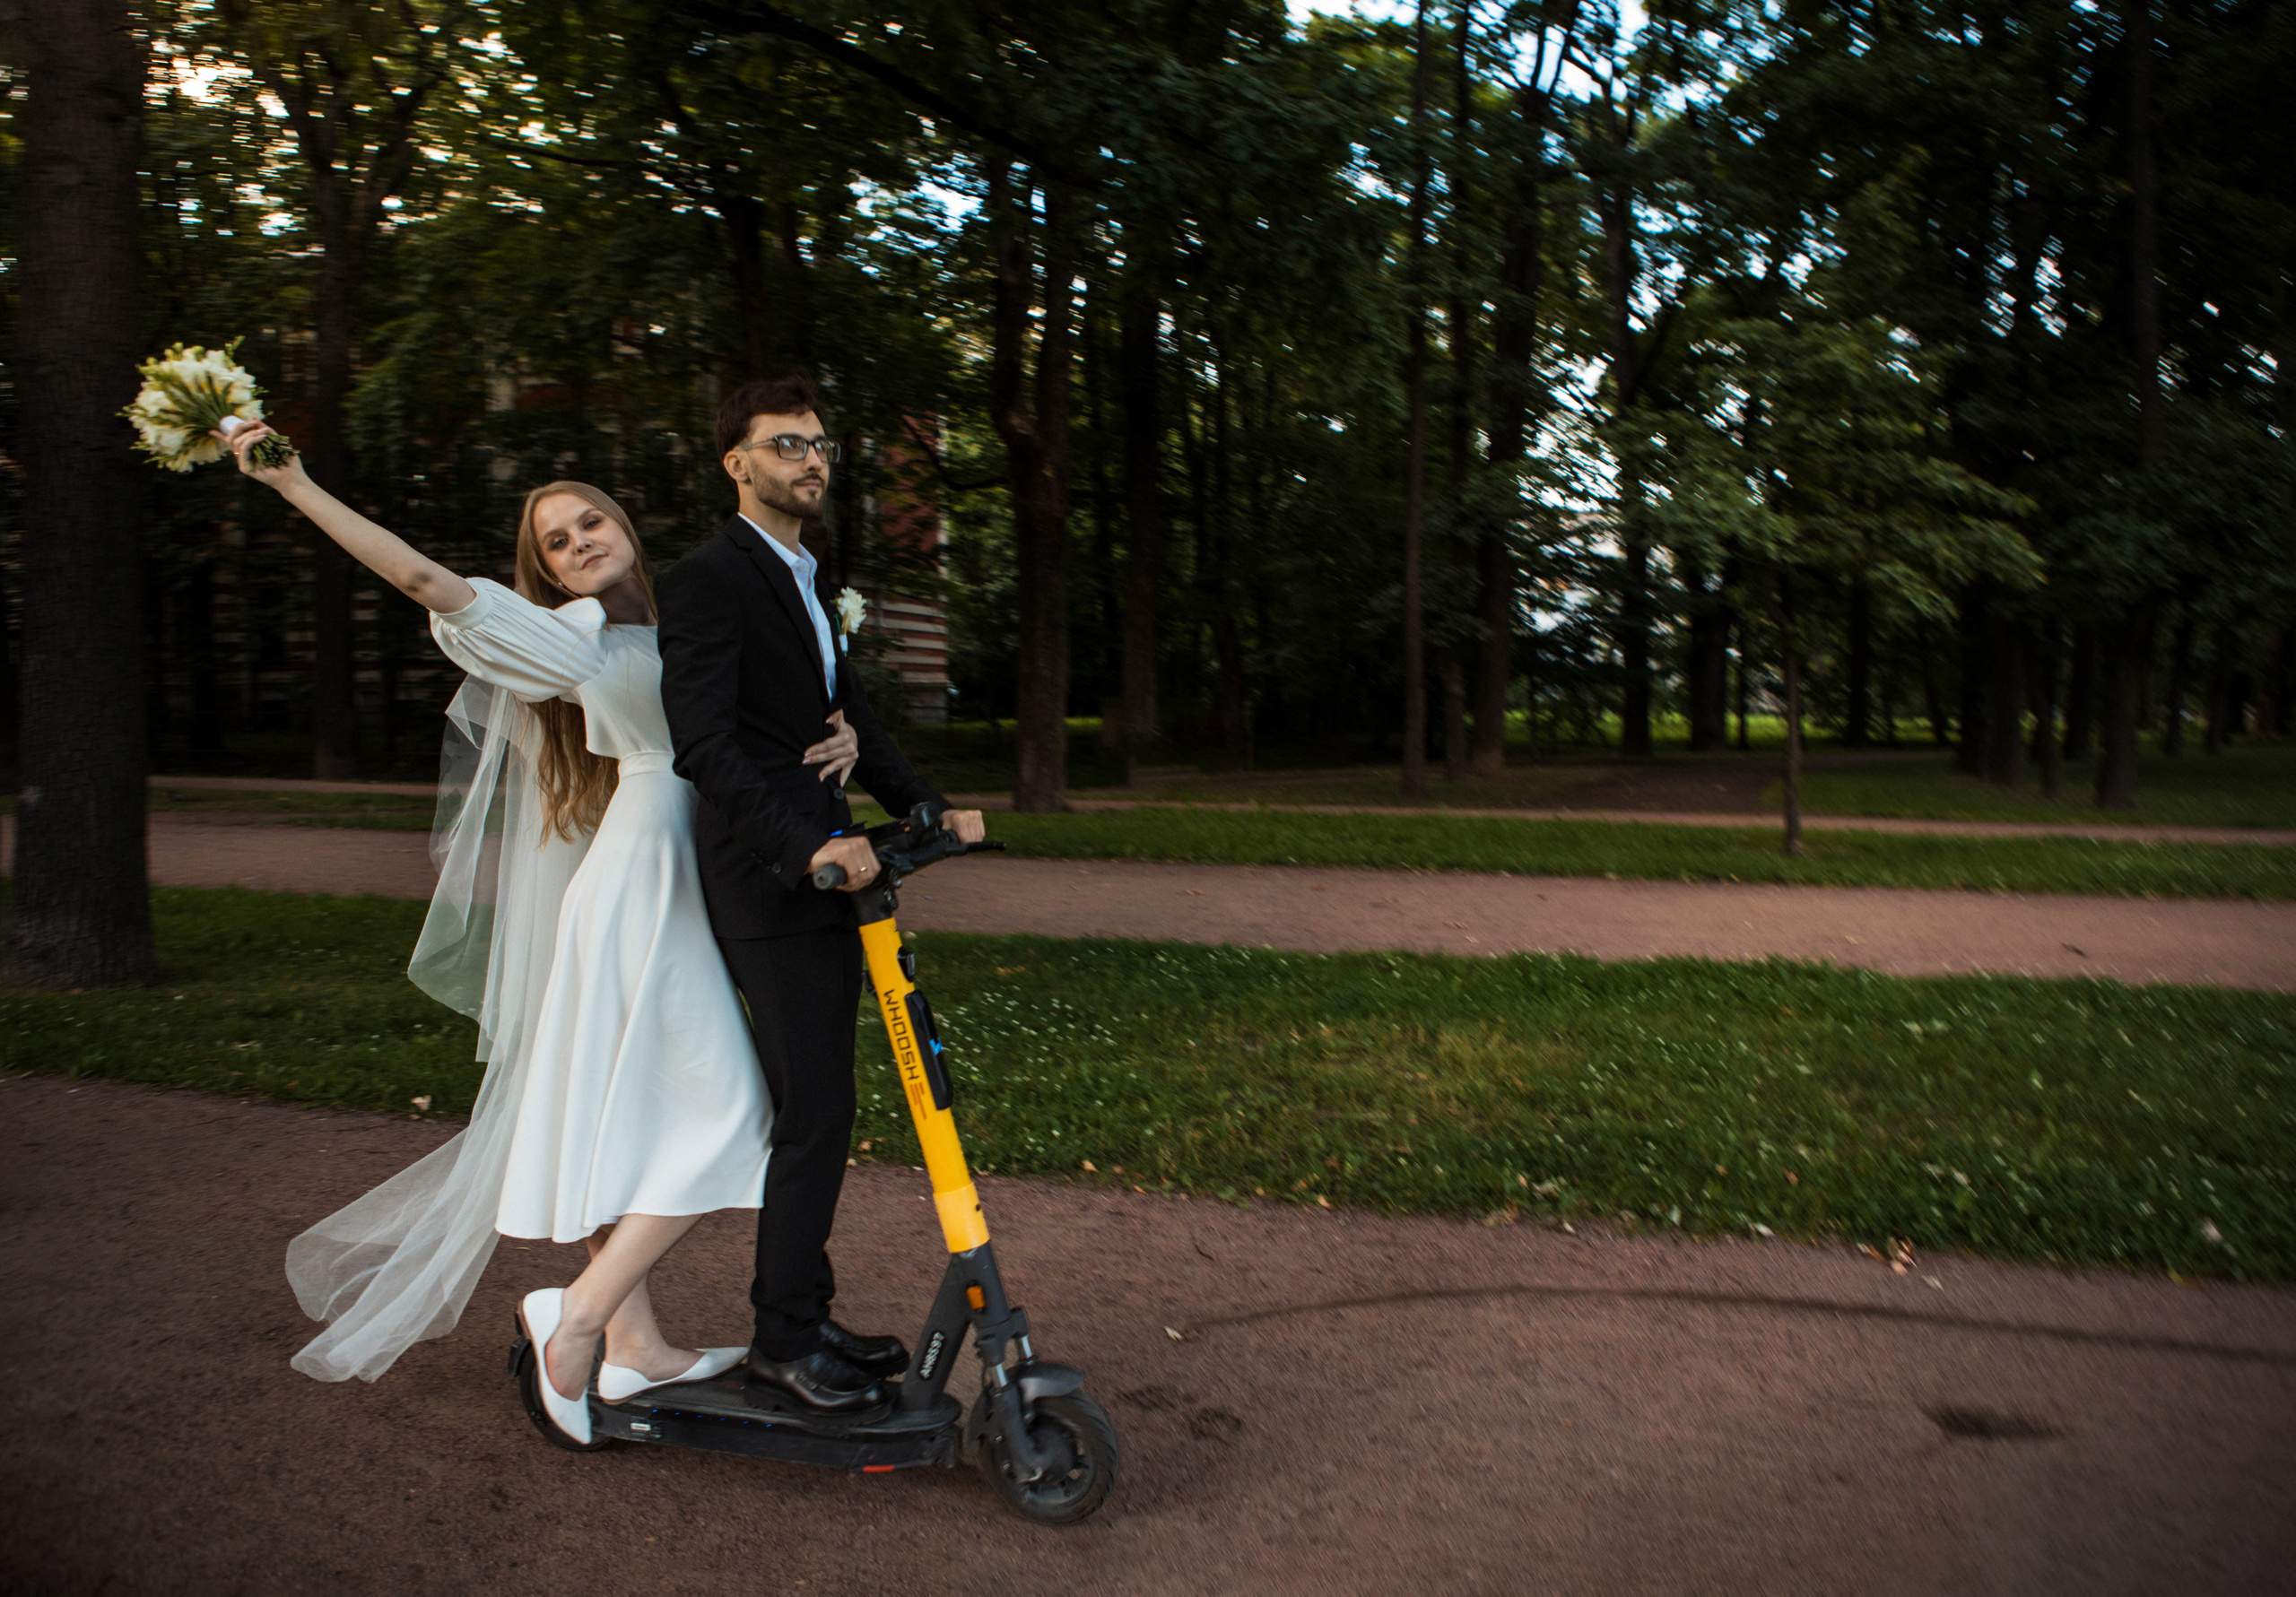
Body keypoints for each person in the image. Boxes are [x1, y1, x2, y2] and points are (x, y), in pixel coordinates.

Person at [222, 421, 861, 1447]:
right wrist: (295, 480)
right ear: (544, 571)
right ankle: (579, 1318)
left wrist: (848, 729)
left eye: (590, 520)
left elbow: (767, 713)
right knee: (739, 1115)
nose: (579, 543)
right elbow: (431, 583)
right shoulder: (570, 636)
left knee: (640, 1110)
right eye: (557, 541)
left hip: (704, 867)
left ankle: (637, 1345)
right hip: (644, 878)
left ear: (625, 526)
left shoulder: (693, 610)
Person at [657, 374, 987, 1415]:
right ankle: (781, 1340)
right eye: (786, 443)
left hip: (827, 866)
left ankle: (805, 1312)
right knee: (814, 1114)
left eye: (819, 444)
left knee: (821, 1108)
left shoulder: (803, 573)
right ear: (737, 462)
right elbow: (704, 744)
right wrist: (808, 849)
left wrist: (926, 806)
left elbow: (852, 719)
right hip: (771, 880)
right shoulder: (711, 576)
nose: (811, 459)